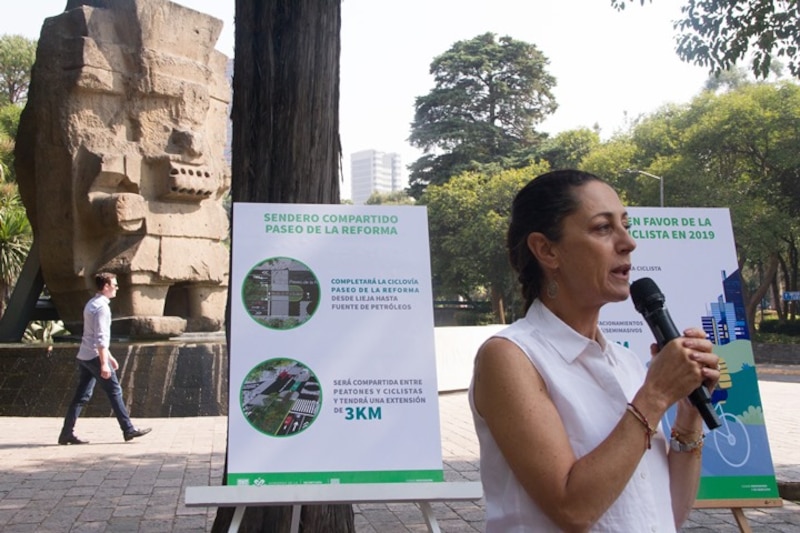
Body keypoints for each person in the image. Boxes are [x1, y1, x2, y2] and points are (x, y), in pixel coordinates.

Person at [469, 169, 720, 532]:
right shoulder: (511, 357)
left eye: (626, 225)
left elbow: (664, 514)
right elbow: (573, 509)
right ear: (547, 250)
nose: (628, 242)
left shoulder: (628, 363)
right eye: (603, 228)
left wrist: (686, 415)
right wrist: (655, 395)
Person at [58, 272, 152, 445]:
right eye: (114, 285)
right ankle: (128, 429)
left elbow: (92, 335)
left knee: (81, 396)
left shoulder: (91, 304)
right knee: (115, 391)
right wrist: (104, 364)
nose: (117, 288)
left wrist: (110, 357)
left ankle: (66, 433)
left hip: (85, 356)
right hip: (94, 356)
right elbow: (100, 338)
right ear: (106, 286)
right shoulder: (102, 308)